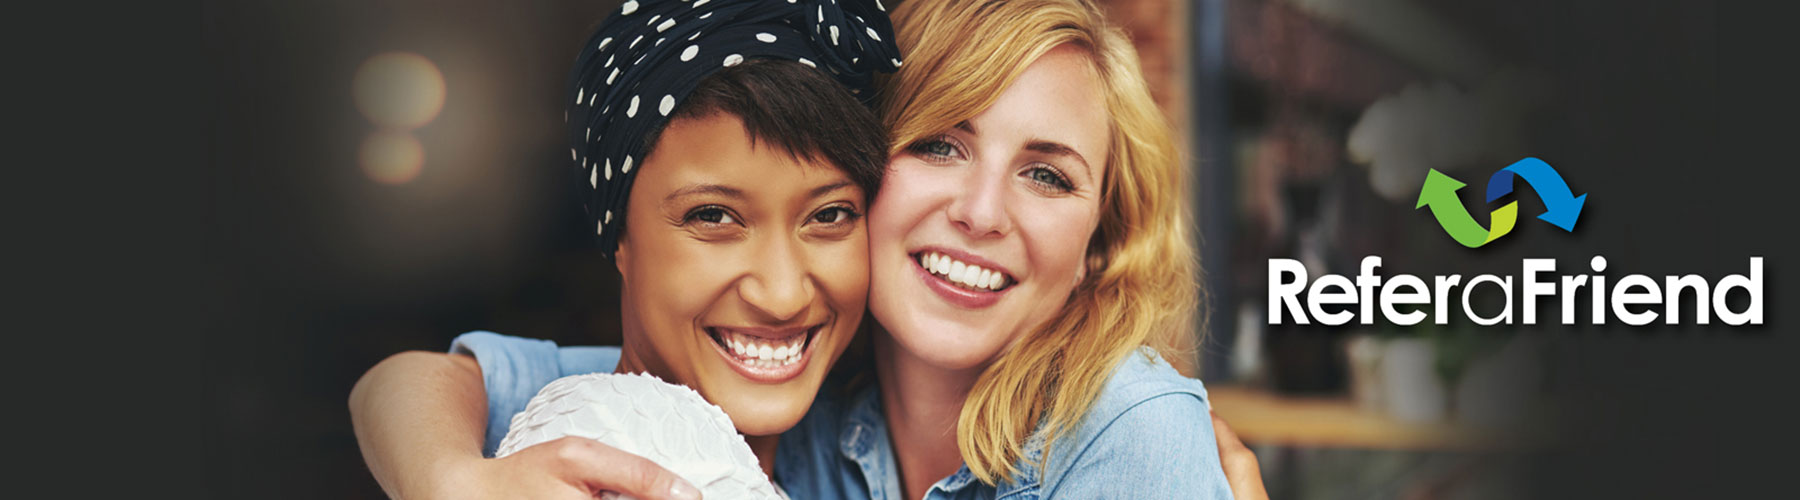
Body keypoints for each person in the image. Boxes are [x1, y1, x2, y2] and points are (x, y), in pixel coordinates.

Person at [352, 0, 1270, 498]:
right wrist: (450, 479)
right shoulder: (804, 407)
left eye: (1048, 175)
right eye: (941, 145)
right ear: (873, 176)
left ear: (1100, 243)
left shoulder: (1125, 429)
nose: (983, 212)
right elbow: (422, 380)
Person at [348, 1, 899, 498]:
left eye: (829, 215)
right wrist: (455, 484)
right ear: (618, 238)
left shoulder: (861, 436)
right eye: (712, 216)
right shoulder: (591, 438)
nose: (782, 296)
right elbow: (399, 383)